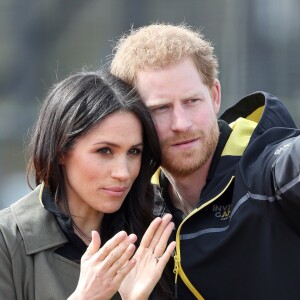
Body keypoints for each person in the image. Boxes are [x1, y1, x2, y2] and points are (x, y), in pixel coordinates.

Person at [110, 23, 300, 300]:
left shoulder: (267, 168)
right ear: (133, 117)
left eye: (191, 101)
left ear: (214, 96)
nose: (181, 123)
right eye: (161, 108)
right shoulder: (130, 205)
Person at [0, 70, 176, 300]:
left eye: (134, 152)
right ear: (61, 150)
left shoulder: (155, 231)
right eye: (104, 151)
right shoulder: (8, 240)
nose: (123, 173)